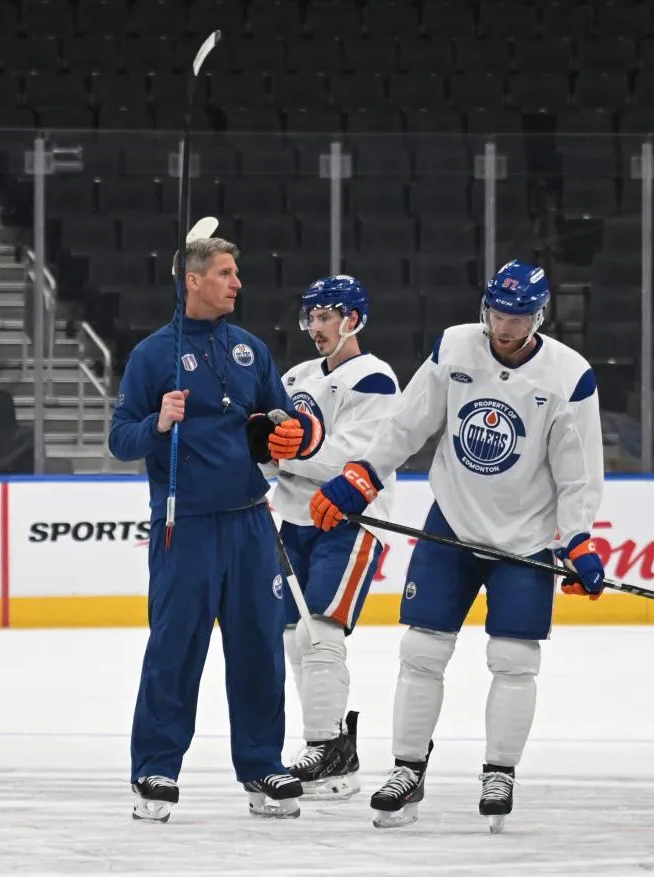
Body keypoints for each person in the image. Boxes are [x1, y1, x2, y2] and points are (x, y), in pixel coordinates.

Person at [308, 260, 606, 832]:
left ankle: (500, 771)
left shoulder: (569, 376)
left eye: (517, 318)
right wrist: (364, 471)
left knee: (515, 661)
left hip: (524, 538)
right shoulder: (454, 347)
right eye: (497, 312)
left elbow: (578, 474)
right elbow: (406, 422)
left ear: (538, 317)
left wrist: (578, 539)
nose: (504, 326)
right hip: (450, 527)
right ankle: (407, 768)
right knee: (421, 652)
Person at [109, 236, 324, 822]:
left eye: (237, 272)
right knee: (174, 649)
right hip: (186, 528)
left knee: (259, 648)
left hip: (252, 523)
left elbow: (287, 422)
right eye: (226, 273)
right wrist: (157, 421)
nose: (237, 283)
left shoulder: (251, 349)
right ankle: (155, 767)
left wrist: (290, 433)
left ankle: (262, 766)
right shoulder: (153, 356)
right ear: (193, 280)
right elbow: (119, 439)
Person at [256, 275, 400, 801]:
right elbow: (277, 454)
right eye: (311, 317)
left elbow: (352, 459)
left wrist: (291, 451)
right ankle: (331, 750)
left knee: (321, 633)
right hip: (294, 519)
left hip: (351, 520)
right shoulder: (295, 375)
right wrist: (262, 447)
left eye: (325, 317)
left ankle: (327, 744)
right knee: (295, 636)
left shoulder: (375, 379)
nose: (315, 327)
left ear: (353, 320)